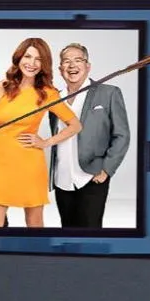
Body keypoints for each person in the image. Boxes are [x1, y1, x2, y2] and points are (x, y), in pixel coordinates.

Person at [0, 37, 81, 228]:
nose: (32, 63)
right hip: (0, 165)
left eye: (38, 59)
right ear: (19, 57)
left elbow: (75, 125)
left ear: (44, 64)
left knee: (35, 224)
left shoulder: (47, 93)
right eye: (28, 56)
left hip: (31, 165)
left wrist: (45, 142)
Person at [48, 43, 132, 228]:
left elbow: (122, 135)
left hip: (93, 176)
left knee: (90, 233)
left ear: (88, 66)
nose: (72, 65)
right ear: (60, 69)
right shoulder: (54, 99)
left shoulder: (109, 93)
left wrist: (107, 169)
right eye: (66, 61)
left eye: (78, 60)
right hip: (62, 179)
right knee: (67, 233)